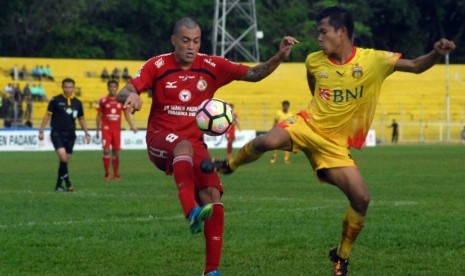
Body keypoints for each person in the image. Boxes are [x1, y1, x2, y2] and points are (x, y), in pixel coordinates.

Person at [201, 6, 456, 276]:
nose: (319, 38)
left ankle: (341, 255)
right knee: (266, 141)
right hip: (307, 124)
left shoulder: (374, 60)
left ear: (341, 32)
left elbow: (416, 66)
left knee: (361, 199)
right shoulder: (314, 61)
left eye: (323, 32)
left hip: (334, 146)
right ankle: (229, 165)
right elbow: (315, 88)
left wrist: (436, 54)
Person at [116, 17, 298, 276]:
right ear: (174, 41)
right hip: (160, 138)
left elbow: (254, 74)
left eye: (196, 41)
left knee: (213, 195)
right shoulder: (157, 65)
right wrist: (132, 95)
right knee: (182, 148)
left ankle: (211, 271)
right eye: (186, 41)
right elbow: (125, 90)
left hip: (194, 144)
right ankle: (191, 211)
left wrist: (279, 55)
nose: (191, 46)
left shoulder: (212, 65)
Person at [38, 78, 91, 192]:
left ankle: (58, 186)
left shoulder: (78, 102)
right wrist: (41, 130)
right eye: (66, 87)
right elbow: (47, 116)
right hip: (57, 133)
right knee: (63, 156)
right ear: (62, 87)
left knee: (64, 161)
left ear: (73, 88)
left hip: (71, 134)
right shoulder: (55, 100)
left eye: (70, 87)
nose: (68, 89)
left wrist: (86, 132)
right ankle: (68, 183)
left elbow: (81, 119)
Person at [96, 80, 138, 181]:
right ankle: (107, 174)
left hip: (116, 130)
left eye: (114, 87)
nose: (113, 89)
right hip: (106, 129)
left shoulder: (121, 100)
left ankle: (116, 174)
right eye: (111, 87)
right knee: (106, 151)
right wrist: (97, 130)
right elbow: (99, 116)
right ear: (108, 87)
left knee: (116, 153)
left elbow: (126, 114)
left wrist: (132, 126)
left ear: (117, 88)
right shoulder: (103, 100)